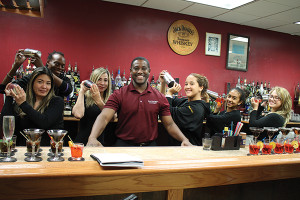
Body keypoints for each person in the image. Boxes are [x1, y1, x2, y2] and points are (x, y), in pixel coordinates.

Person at [87, 57, 192, 147]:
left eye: (144, 68)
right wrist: (92, 138)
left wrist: (184, 140)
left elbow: (169, 124)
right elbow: (104, 117)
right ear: (131, 71)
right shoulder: (119, 94)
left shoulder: (159, 97)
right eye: (136, 68)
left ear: (149, 71)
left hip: (150, 147)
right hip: (123, 146)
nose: (140, 71)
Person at [0, 67, 64, 146]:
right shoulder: (23, 100)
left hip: (48, 152)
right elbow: (6, 123)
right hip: (23, 152)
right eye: (40, 82)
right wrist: (9, 97)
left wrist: (23, 104)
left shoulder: (57, 101)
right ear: (32, 83)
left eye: (48, 83)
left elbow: (44, 122)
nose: (44, 86)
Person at [159, 71, 210, 146]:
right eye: (186, 84)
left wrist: (169, 93)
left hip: (187, 148)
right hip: (176, 147)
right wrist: (163, 84)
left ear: (201, 87)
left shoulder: (196, 109)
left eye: (191, 84)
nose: (187, 87)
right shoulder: (186, 101)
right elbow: (164, 102)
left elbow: (167, 112)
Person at [0, 50, 72, 98]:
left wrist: (43, 68)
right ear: (48, 62)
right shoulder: (34, 76)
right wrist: (16, 66)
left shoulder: (64, 79)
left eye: (62, 66)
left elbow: (67, 89)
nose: (60, 68)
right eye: (56, 64)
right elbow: (3, 89)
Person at [72, 67, 114, 145]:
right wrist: (81, 92)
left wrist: (98, 101)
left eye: (105, 80)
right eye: (99, 79)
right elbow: (78, 114)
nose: (102, 83)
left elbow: (113, 117)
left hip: (102, 143)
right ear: (93, 81)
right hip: (83, 142)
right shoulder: (85, 96)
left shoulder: (111, 98)